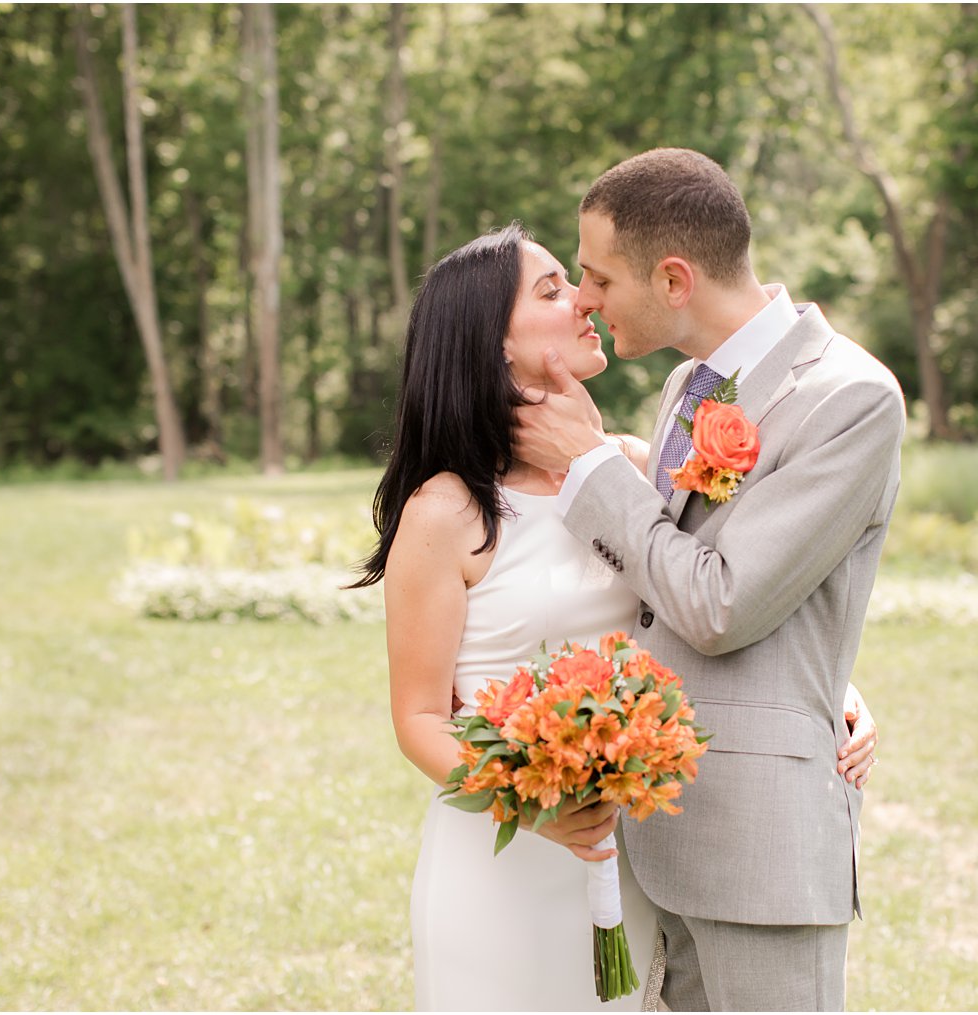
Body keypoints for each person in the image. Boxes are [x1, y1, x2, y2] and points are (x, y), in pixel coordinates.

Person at [351, 222, 880, 1011]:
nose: (585, 300)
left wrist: (831, 686)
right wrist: (537, 809)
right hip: (505, 862)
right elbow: (420, 718)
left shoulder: (630, 465)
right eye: (553, 289)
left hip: (628, 864)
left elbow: (707, 592)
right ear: (492, 344)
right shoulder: (447, 511)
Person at [512, 148, 906, 1011]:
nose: (582, 299)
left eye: (597, 277)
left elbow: (722, 600)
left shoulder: (848, 397)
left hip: (761, 848)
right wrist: (827, 677)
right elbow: (672, 575)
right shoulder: (690, 385)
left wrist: (588, 468)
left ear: (676, 278)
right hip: (661, 833)